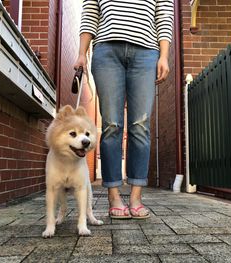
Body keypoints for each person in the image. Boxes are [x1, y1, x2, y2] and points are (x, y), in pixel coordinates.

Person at [74, 0, 174, 219]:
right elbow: (90, 11)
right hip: (107, 50)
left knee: (140, 125)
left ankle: (136, 197)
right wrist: (82, 52)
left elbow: (165, 15)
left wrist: (164, 56)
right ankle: (114, 196)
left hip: (146, 52)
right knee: (111, 124)